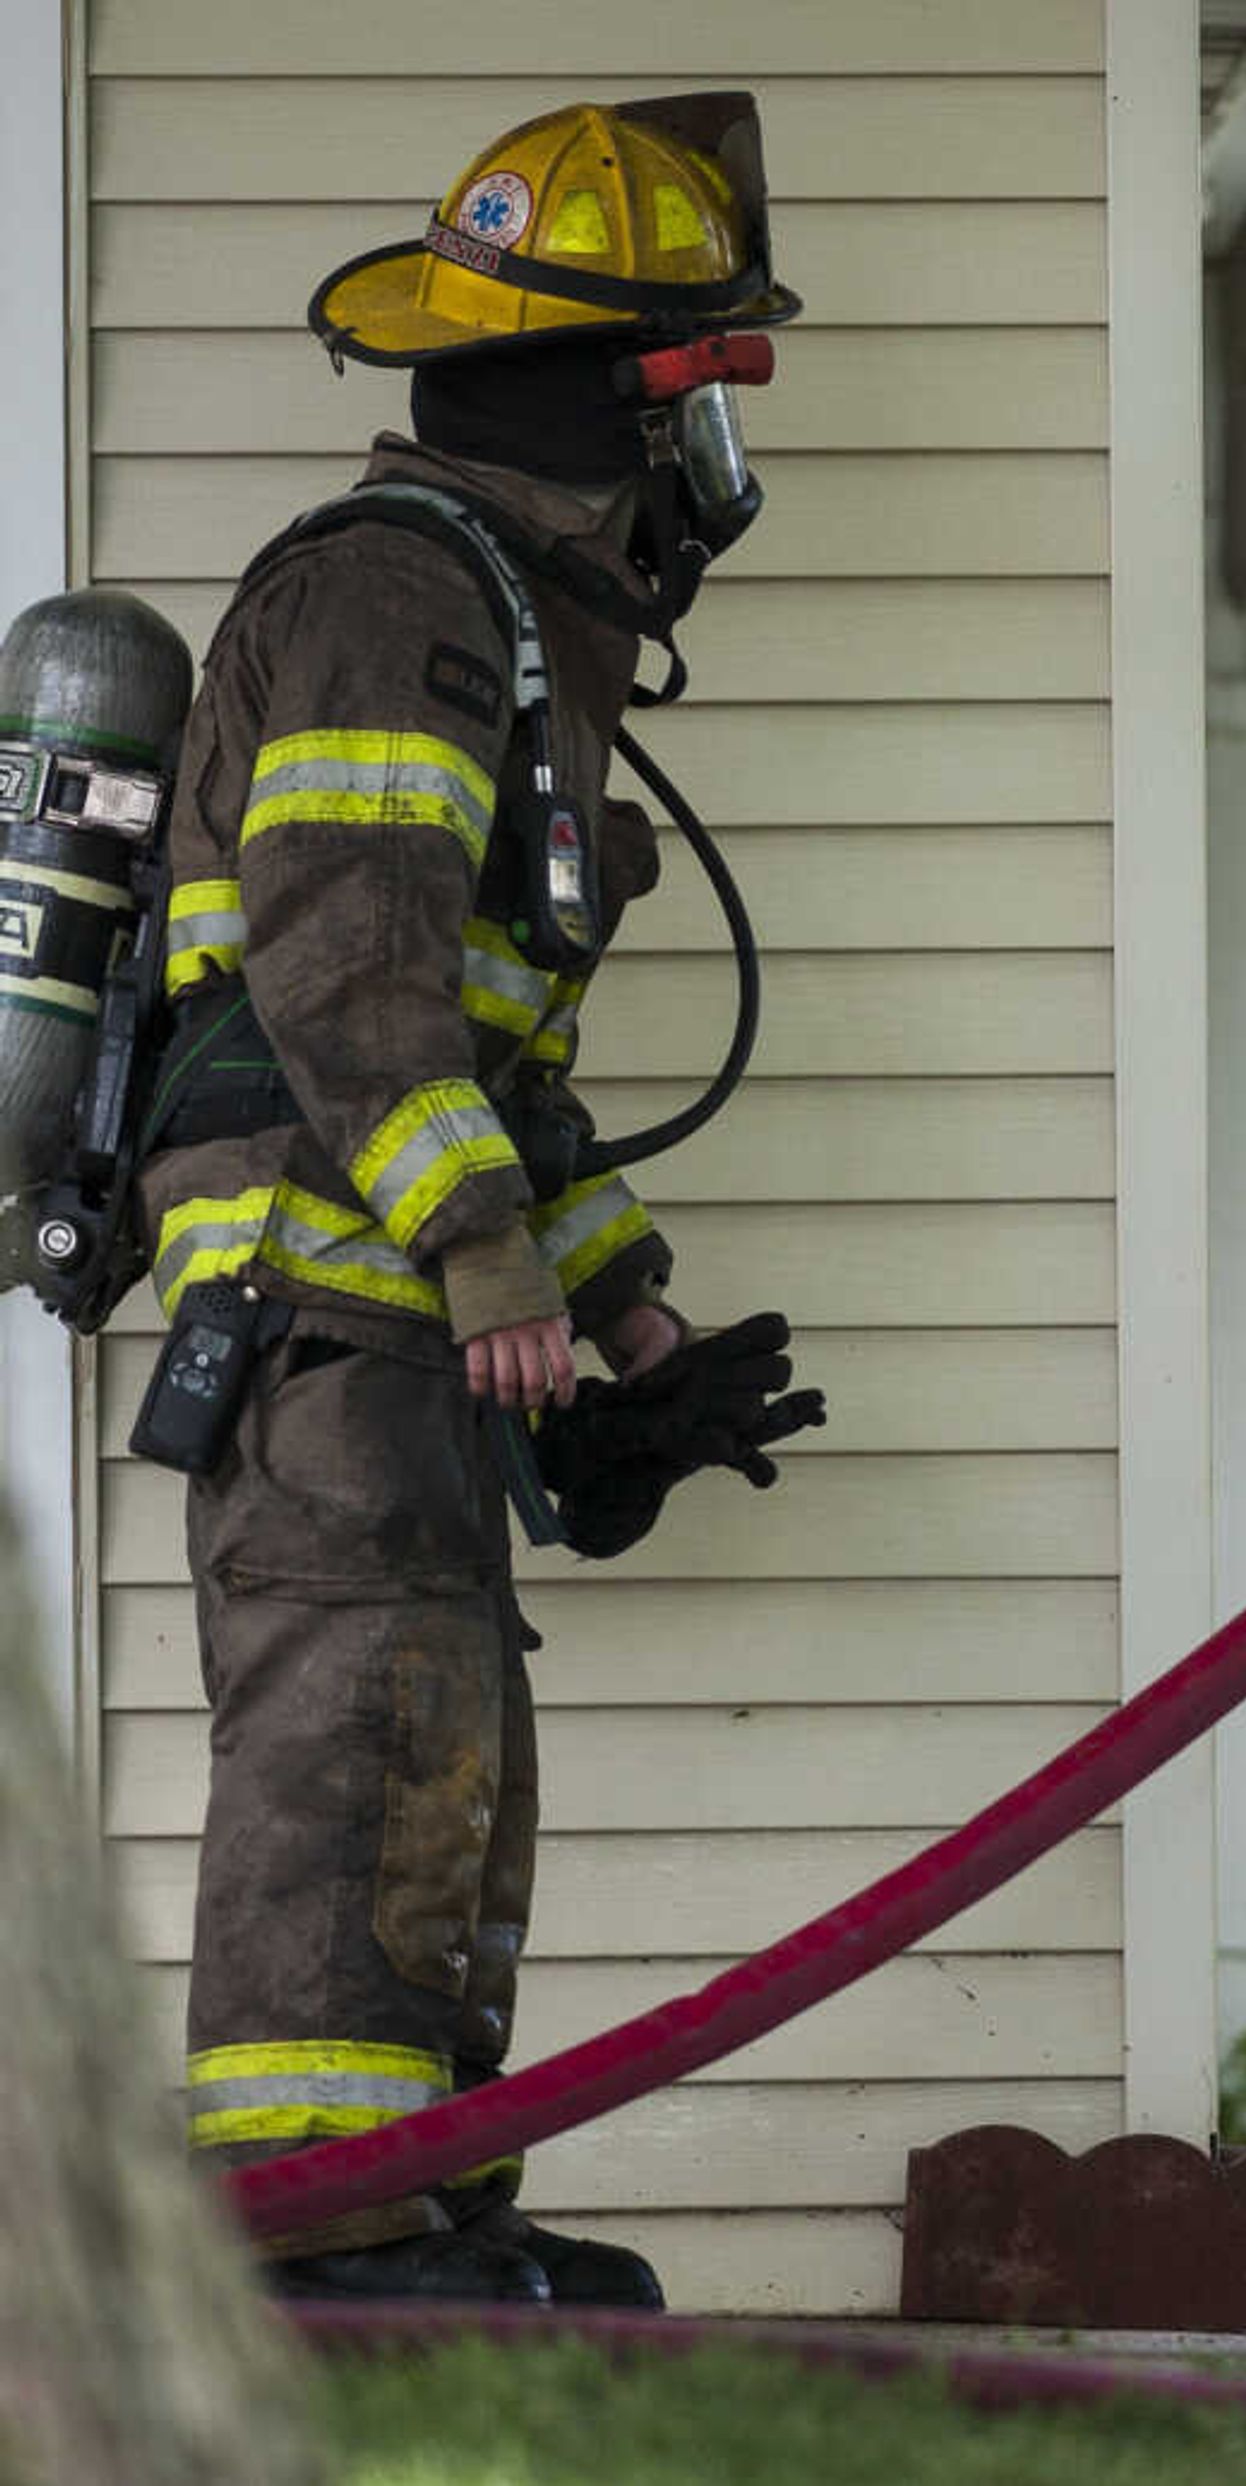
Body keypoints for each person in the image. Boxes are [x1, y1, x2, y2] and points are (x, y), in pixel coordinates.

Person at [152, 94, 814, 2307]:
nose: (726, 458)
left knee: (438, 1728)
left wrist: (623, 1315)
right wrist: (488, 1249)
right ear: (621, 395)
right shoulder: (391, 603)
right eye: (712, 384)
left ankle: (415, 2185)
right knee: (353, 1727)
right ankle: (308, 2240)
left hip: (392, 1305)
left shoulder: (505, 623)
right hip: (329, 1299)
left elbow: (497, 1053)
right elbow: (347, 958)